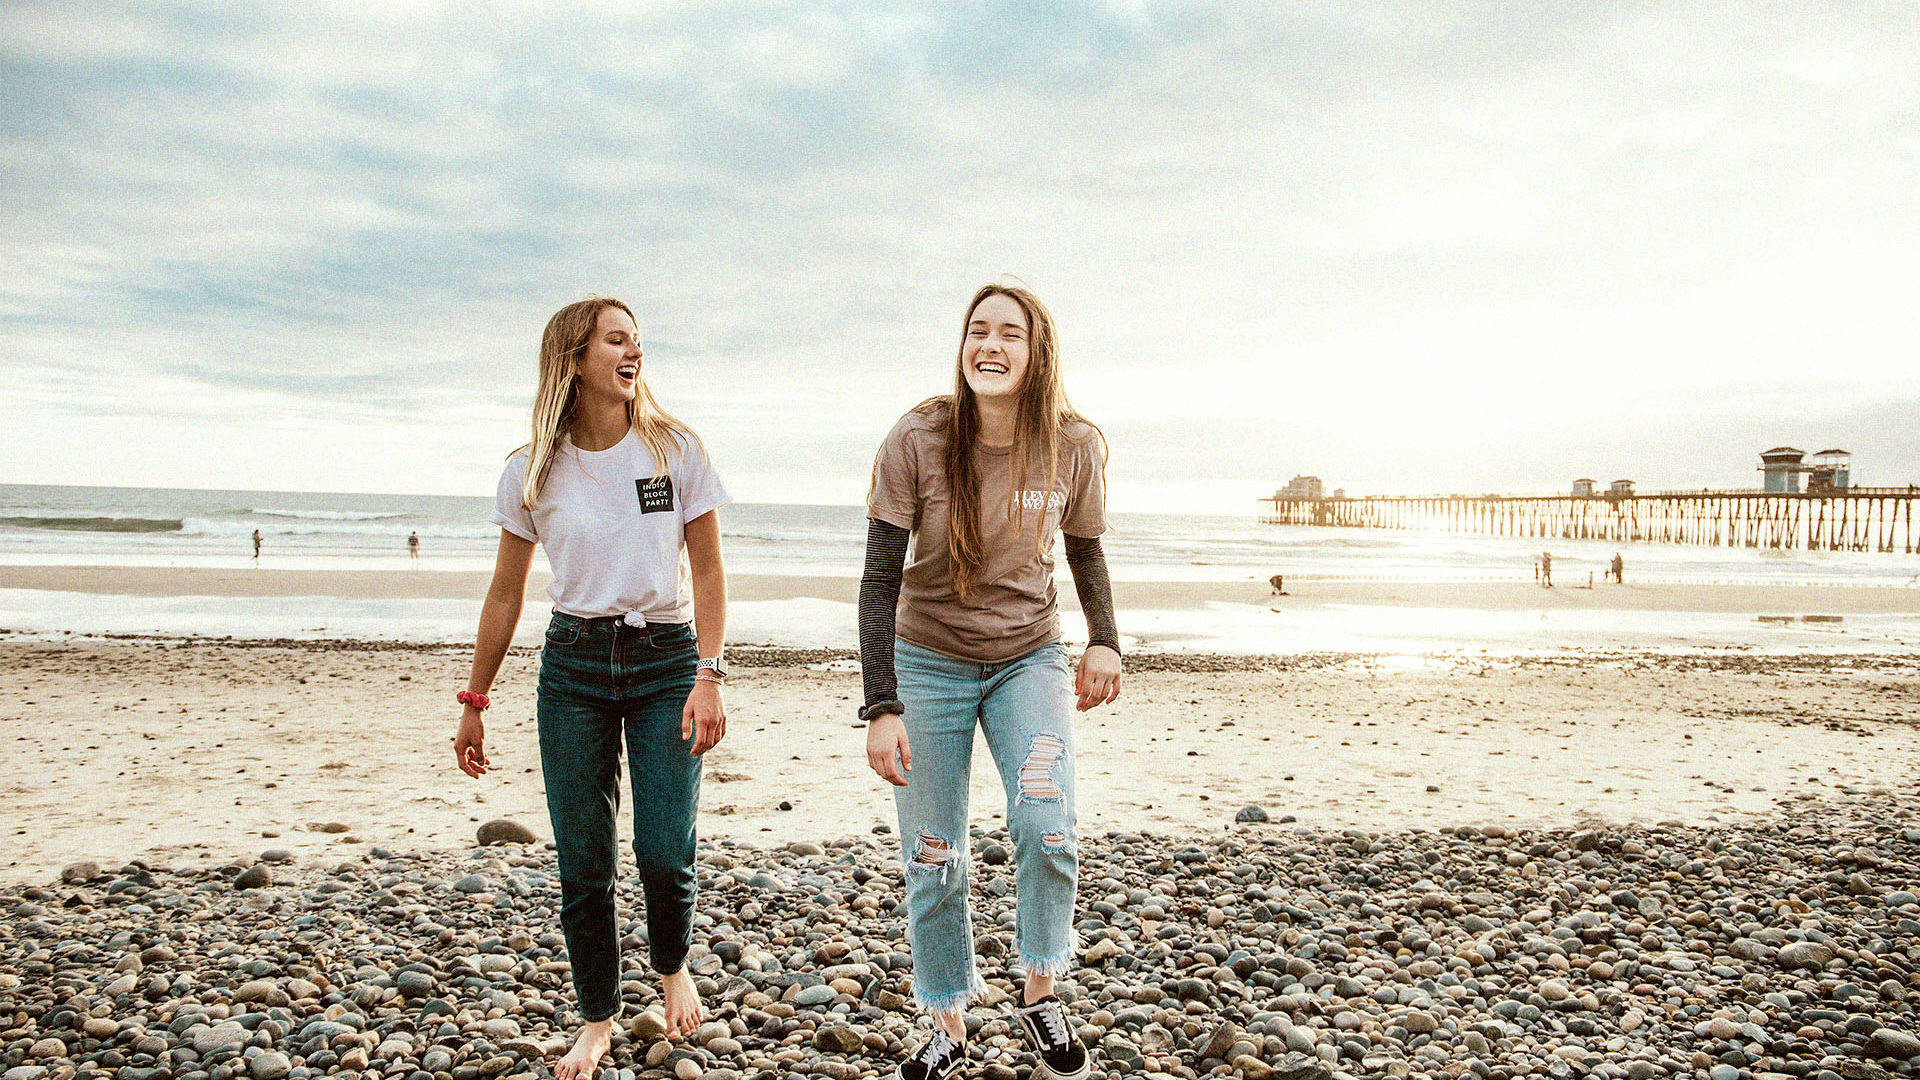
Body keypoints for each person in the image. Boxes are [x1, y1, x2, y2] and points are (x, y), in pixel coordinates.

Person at [452, 296, 731, 1080]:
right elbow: (505, 594)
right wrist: (475, 701)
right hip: (572, 666)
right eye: (616, 339)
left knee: (663, 848)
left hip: (667, 660)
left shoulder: (675, 451)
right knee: (584, 859)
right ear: (576, 359)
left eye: (637, 339)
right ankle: (598, 1018)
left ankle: (672, 962)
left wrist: (710, 674)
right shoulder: (531, 469)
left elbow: (707, 571)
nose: (632, 350)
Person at [861, 283, 1119, 1080]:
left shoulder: (1072, 444)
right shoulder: (919, 437)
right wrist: (881, 706)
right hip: (926, 660)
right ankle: (947, 1019)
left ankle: (1040, 991)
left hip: (1028, 658)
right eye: (979, 331)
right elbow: (878, 580)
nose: (991, 346)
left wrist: (1105, 640)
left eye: (1011, 333)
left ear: (1037, 352)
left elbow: (1084, 551)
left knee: (1049, 825)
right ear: (964, 344)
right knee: (933, 853)